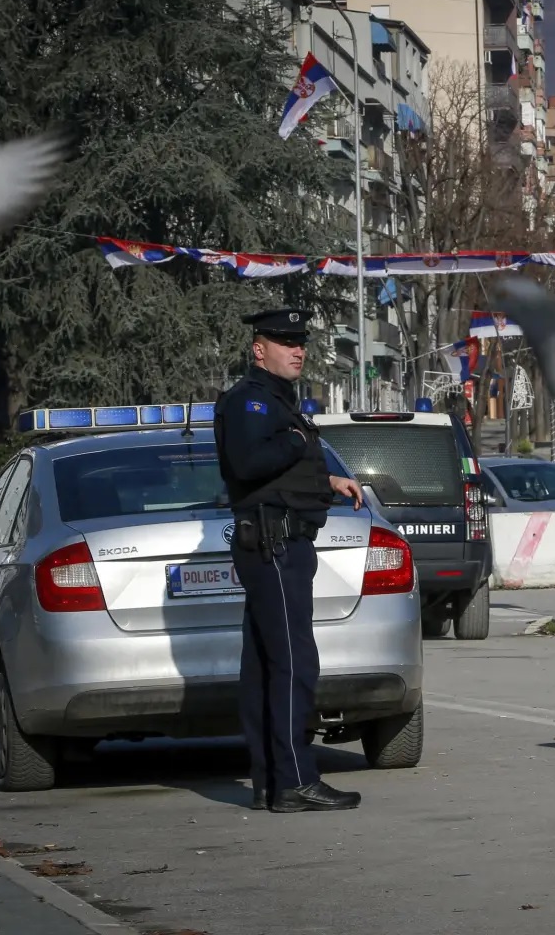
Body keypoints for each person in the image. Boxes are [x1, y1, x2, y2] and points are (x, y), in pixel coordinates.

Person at [214, 307, 365, 814]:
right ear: (259, 348)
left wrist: (327, 482)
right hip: (275, 547)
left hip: (281, 544)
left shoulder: (277, 401)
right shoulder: (251, 402)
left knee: (264, 666)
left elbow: (276, 472)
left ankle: (270, 782)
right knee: (295, 663)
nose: (298, 350)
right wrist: (297, 438)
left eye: (300, 342)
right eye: (285, 342)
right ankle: (296, 779)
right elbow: (250, 463)